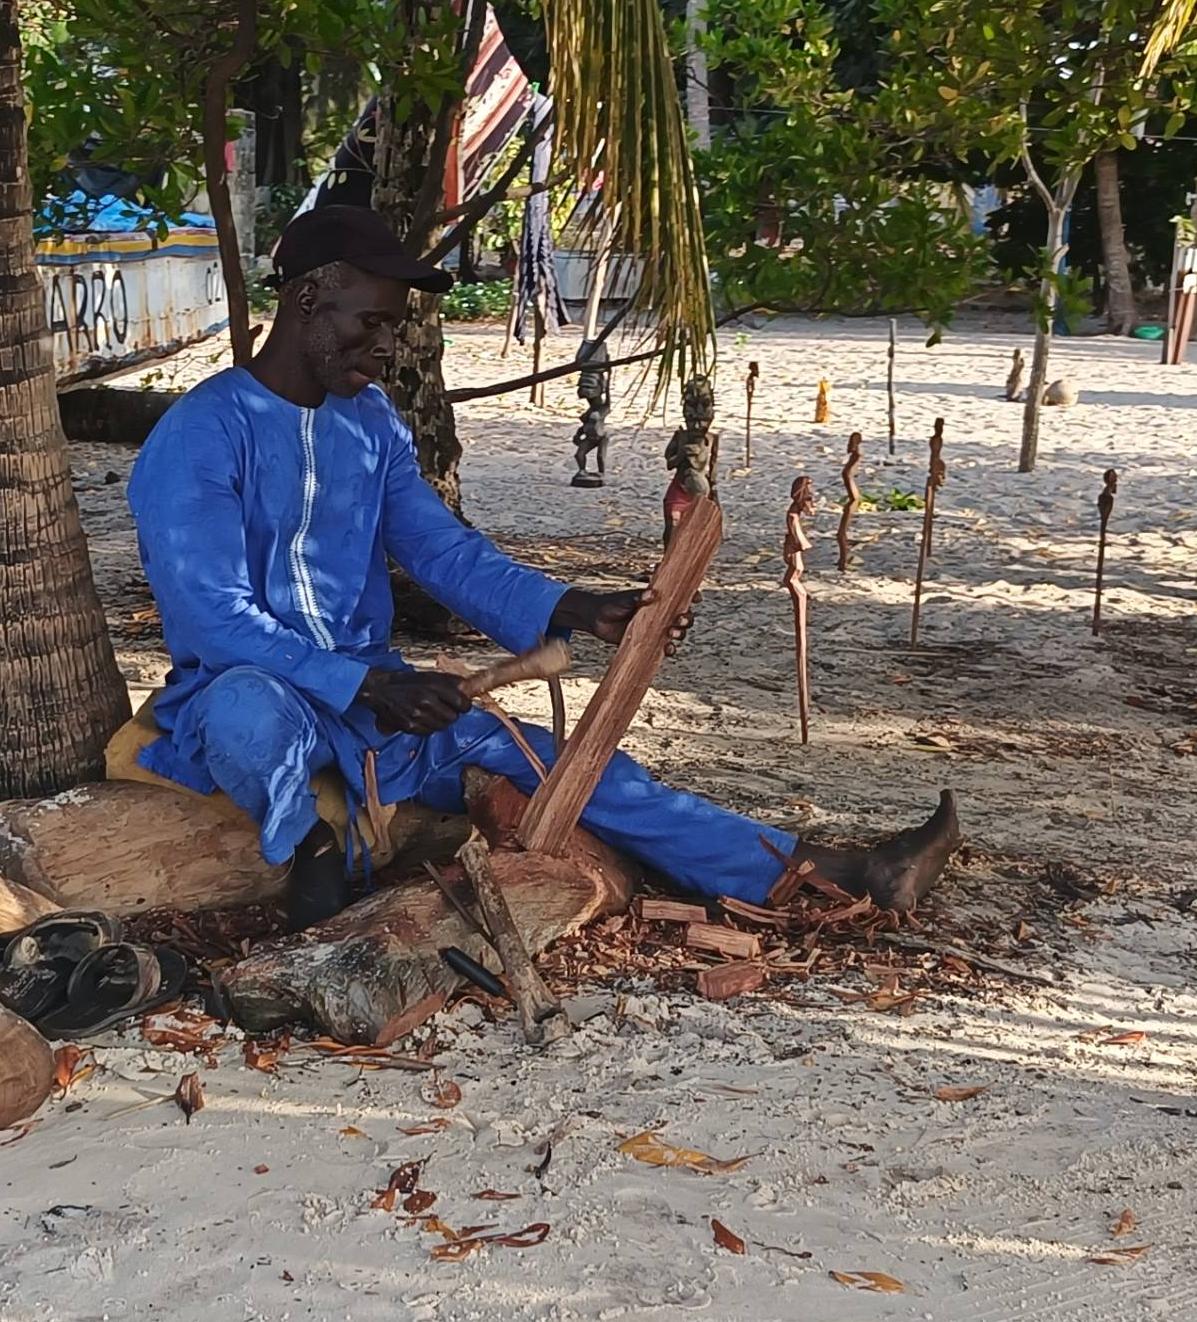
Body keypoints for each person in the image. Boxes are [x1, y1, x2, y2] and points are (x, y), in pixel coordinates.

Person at [127, 205, 958, 928]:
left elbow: (441, 549)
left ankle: (828, 871)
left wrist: (573, 607)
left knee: (571, 766)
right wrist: (372, 687)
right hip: (255, 693)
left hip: (375, 704)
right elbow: (214, 620)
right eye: (371, 322)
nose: (386, 346)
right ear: (309, 297)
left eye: (394, 327)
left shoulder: (370, 422)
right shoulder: (202, 431)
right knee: (247, 712)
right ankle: (311, 854)